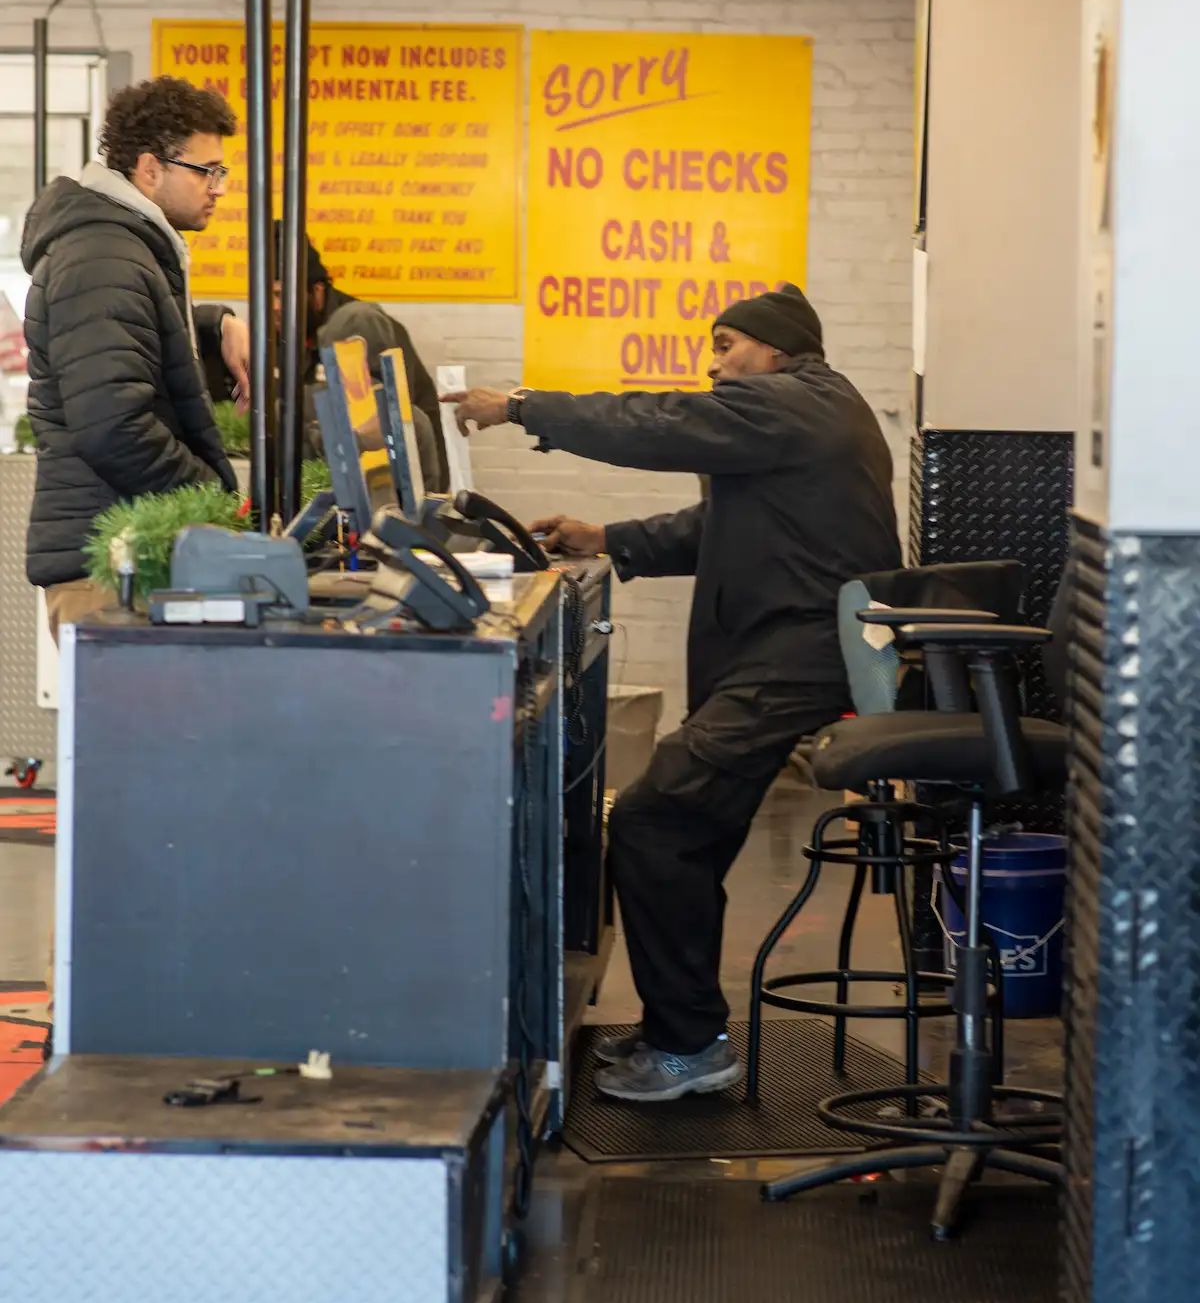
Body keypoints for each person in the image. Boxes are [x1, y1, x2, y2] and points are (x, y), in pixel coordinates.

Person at [450, 284, 901, 1102]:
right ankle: (680, 1031)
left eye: (728, 345)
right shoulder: (807, 412)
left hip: (797, 658)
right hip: (789, 651)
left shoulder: (787, 404)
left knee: (656, 821)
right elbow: (723, 526)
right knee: (688, 833)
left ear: (776, 349)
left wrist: (521, 405)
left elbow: (655, 421)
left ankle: (690, 1047)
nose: (715, 364)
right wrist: (608, 538)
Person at [22, 75, 243, 642]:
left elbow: (135, 338)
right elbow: (114, 426)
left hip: (128, 552)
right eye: (207, 171)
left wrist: (216, 325)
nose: (218, 188)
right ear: (150, 168)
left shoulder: (119, 248)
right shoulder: (103, 256)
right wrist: (212, 498)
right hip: (110, 569)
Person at [230, 229, 448, 494]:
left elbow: (376, 420)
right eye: (266, 296)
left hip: (407, 484)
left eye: (280, 295)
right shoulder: (288, 330)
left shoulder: (360, 329)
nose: (273, 307)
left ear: (317, 291)